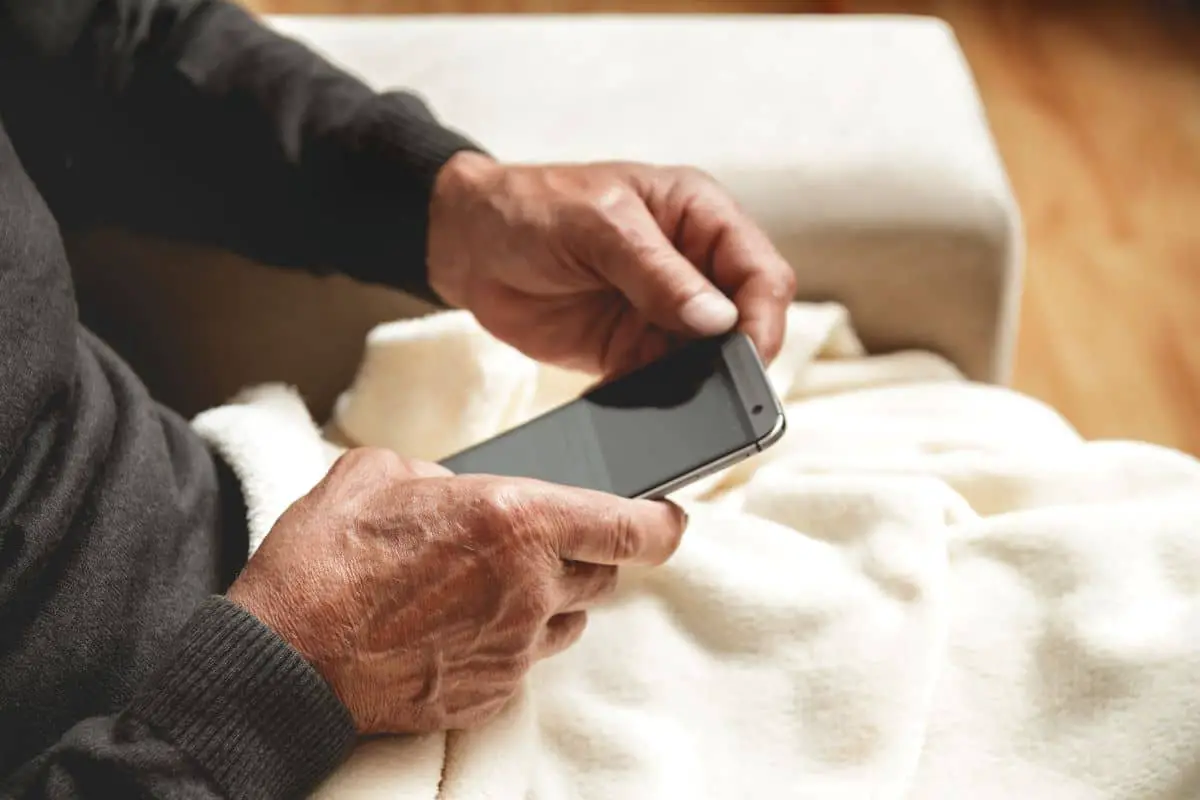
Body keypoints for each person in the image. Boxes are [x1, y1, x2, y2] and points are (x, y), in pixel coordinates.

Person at [0, 1, 795, 797]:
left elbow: (95, 38)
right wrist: (290, 675)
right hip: (191, 741)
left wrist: (448, 202)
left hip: (260, 511)